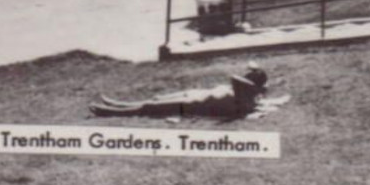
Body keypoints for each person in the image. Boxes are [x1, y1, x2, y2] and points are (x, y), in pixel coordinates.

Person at [91, 65, 270, 120]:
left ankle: (110, 111)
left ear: (251, 82)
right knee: (155, 99)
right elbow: (237, 79)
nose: (245, 74)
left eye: (249, 74)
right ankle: (117, 104)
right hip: (191, 96)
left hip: (190, 104)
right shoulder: (245, 92)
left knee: (150, 106)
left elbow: (235, 78)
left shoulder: (245, 96)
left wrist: (254, 85)